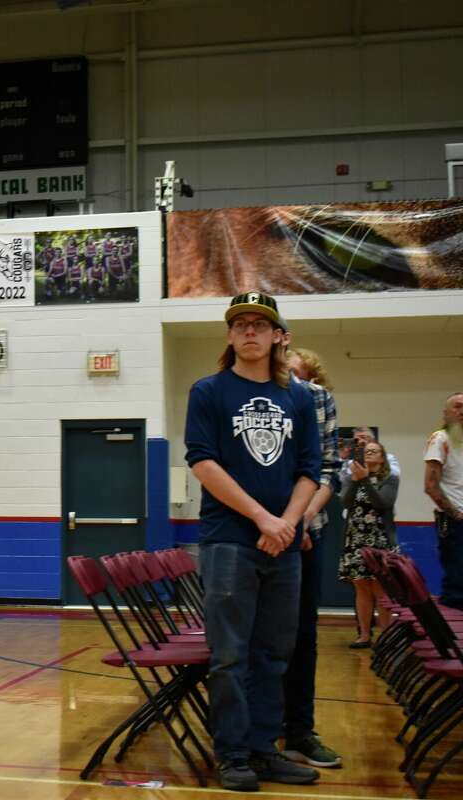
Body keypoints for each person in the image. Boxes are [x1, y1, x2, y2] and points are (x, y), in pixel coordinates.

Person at [185, 291, 320, 792]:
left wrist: (286, 523)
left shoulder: (300, 398)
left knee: (273, 654)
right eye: (239, 324)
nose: (249, 331)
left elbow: (310, 469)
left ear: (277, 336)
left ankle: (265, 750)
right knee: (229, 656)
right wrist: (264, 519)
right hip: (229, 542)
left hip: (281, 543)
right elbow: (202, 461)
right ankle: (233, 754)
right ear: (229, 335)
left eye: (259, 325)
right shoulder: (209, 391)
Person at [278, 342, 343, 768]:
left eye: (300, 373)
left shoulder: (319, 402)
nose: (292, 378)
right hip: (257, 533)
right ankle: (259, 731)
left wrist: (300, 519)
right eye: (288, 371)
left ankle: (300, 730)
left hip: (305, 533)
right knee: (259, 638)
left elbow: (327, 470)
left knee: (303, 635)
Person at [338, 441, 400, 646]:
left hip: (380, 539)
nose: (370, 454)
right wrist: (356, 481)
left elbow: (383, 504)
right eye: (366, 452)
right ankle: (364, 634)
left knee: (381, 589)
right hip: (356, 538)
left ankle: (386, 636)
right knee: (361, 588)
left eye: (374, 451)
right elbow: (346, 502)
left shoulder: (390, 478)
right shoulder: (351, 477)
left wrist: (364, 481)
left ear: (382, 457)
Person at [425, 392, 463, 610]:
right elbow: (430, 486)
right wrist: (456, 514)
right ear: (446, 414)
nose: (462, 412)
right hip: (455, 520)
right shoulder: (440, 439)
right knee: (457, 584)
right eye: (457, 407)